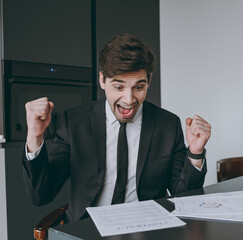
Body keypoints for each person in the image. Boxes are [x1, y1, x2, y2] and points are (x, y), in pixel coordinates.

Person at [22, 33, 211, 222]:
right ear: (102, 80)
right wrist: (35, 137)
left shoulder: (167, 124)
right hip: (89, 227)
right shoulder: (74, 122)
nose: (129, 100)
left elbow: (184, 196)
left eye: (138, 87)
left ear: (149, 81)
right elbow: (41, 195)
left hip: (148, 226)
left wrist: (195, 153)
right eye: (119, 87)